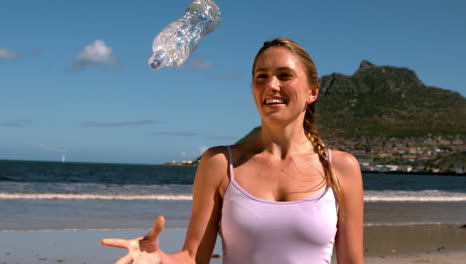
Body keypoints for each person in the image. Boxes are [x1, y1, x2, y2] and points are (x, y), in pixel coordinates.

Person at [101, 38, 364, 264]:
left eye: (285, 75)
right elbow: (193, 257)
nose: (271, 85)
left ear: (312, 92)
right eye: (261, 77)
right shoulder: (219, 163)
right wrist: (161, 258)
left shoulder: (341, 168)